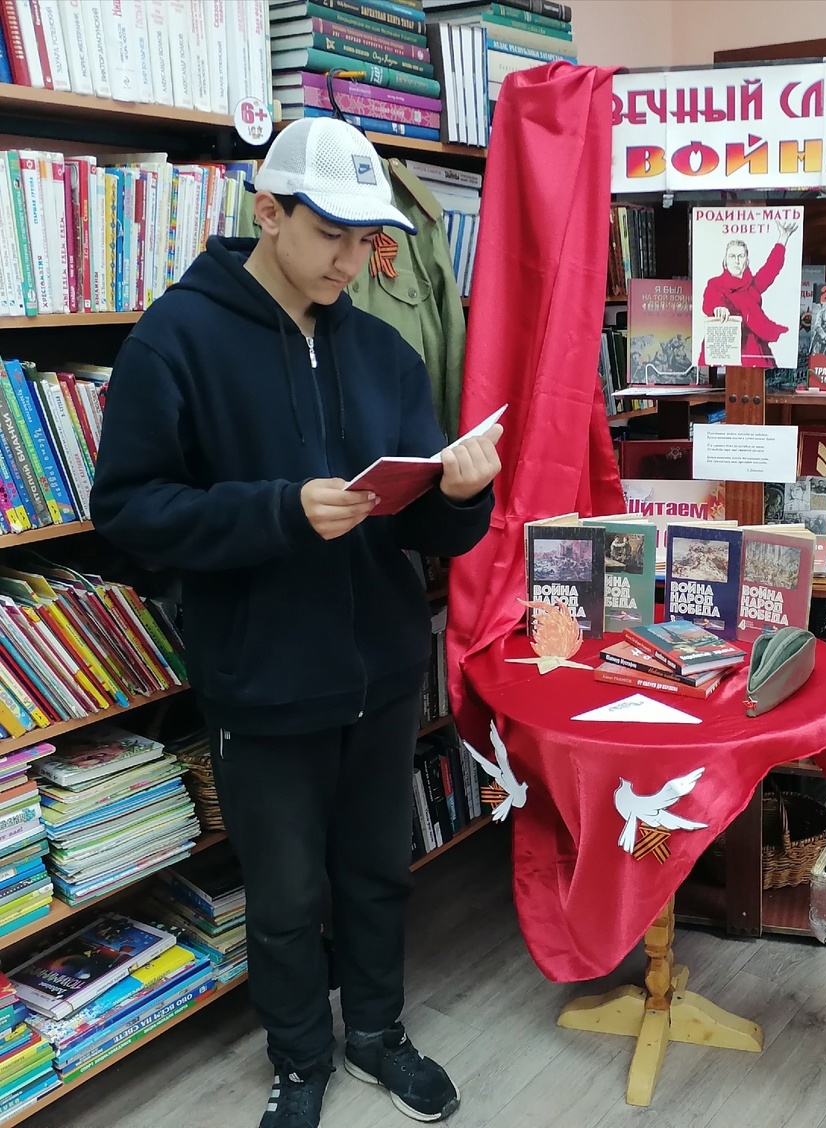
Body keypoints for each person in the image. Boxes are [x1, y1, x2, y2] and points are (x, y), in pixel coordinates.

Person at [90, 118, 501, 1128]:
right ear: (267, 211)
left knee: (376, 873)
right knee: (281, 897)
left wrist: (463, 494)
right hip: (264, 677)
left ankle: (377, 1034)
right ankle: (298, 1058)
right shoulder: (176, 339)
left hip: (381, 672)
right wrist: (278, 512)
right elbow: (129, 516)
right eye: (330, 235)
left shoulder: (382, 350)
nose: (351, 262)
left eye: (367, 240)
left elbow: (423, 523)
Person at [699, 219, 798, 367]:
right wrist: (718, 308)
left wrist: (782, 239)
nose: (736, 260)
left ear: (747, 260)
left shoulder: (753, 285)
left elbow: (771, 268)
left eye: (741, 256)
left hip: (753, 348)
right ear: (725, 261)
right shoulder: (715, 284)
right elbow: (711, 299)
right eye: (732, 256)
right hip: (724, 346)